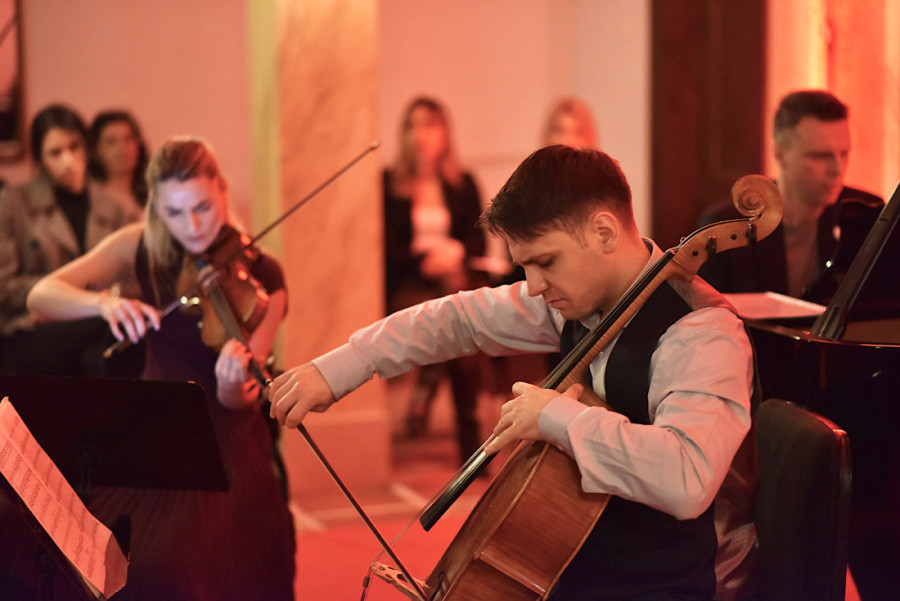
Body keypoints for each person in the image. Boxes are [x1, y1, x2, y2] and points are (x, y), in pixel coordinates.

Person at [271, 145, 758, 600]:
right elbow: (456, 320)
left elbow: (687, 477)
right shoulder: (574, 302)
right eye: (524, 266)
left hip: (658, 587)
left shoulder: (702, 334)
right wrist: (338, 368)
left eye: (545, 262)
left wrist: (558, 417)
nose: (532, 287)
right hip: (566, 570)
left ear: (604, 233)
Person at [22, 137, 296, 600]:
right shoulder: (141, 246)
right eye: (174, 213)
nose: (192, 226)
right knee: (103, 563)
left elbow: (242, 399)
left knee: (187, 568)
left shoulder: (264, 276)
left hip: (226, 437)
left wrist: (233, 381)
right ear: (156, 207)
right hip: (155, 430)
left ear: (223, 192)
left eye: (204, 207)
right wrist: (103, 304)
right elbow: (41, 296)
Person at [697, 90, 883, 303]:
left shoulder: (867, 210)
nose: (837, 169)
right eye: (821, 156)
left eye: (844, 153)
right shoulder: (726, 224)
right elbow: (705, 319)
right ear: (780, 154)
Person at [383, 96, 488, 462]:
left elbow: (477, 238)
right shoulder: (388, 184)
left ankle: (437, 388)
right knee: (457, 318)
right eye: (413, 125)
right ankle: (469, 435)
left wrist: (454, 253)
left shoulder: (463, 183)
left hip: (453, 278)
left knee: (456, 308)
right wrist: (423, 261)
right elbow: (385, 247)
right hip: (410, 284)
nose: (420, 135)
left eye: (429, 125)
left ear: (445, 133)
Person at [0, 103, 138, 377]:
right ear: (40, 158)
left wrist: (104, 299)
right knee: (108, 326)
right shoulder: (13, 204)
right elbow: (4, 287)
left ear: (87, 148)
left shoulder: (113, 207)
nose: (68, 160)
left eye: (74, 147)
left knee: (105, 349)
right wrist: (64, 298)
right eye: (55, 152)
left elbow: (133, 277)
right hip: (32, 327)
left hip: (95, 322)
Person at [89, 109, 150, 221]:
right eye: (111, 142)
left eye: (128, 139)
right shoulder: (92, 198)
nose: (122, 149)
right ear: (96, 151)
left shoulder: (151, 191)